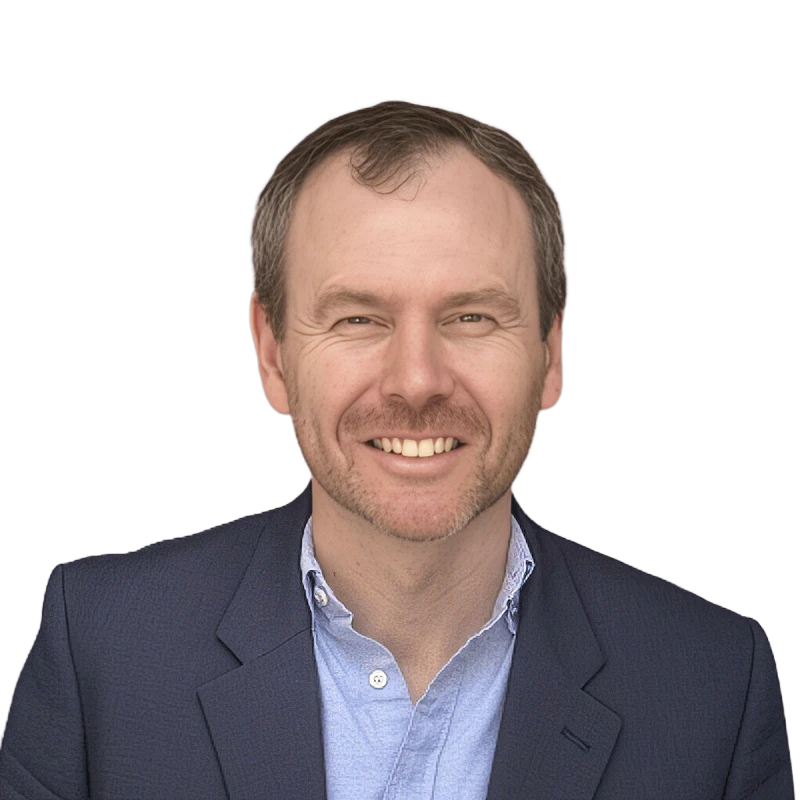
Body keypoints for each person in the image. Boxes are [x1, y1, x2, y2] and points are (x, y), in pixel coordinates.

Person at [0, 99, 794, 800]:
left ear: (550, 354)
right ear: (273, 355)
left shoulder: (714, 689)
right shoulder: (101, 649)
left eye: (472, 317)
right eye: (358, 319)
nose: (416, 381)